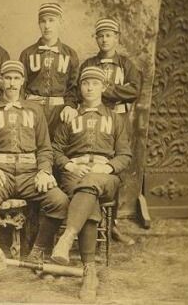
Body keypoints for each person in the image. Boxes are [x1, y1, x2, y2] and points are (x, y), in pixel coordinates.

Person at [51, 66, 132, 302]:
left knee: (92, 183)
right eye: (85, 83)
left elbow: (125, 155)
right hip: (75, 173)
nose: (89, 87)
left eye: (95, 83)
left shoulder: (114, 119)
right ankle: (90, 271)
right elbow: (56, 151)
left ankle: (67, 237)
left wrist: (107, 167)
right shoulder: (69, 117)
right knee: (89, 197)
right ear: (80, 88)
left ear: (103, 87)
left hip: (104, 174)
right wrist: (70, 166)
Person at [0, 60, 69, 265]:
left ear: (23, 81)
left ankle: (38, 249)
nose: (11, 83)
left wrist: (44, 171)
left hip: (29, 174)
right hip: (2, 172)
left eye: (16, 78)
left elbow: (45, 148)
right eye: (7, 78)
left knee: (60, 201)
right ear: (1, 81)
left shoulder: (35, 110)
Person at [80, 17, 141, 245]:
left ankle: (112, 224)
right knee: (89, 163)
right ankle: (88, 220)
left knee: (115, 168)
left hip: (119, 118)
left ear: (117, 38)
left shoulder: (126, 65)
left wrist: (103, 91)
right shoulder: (88, 64)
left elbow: (134, 91)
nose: (105, 39)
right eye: (101, 35)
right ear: (96, 38)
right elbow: (81, 91)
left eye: (109, 35)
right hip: (93, 119)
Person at [19, 2, 79, 139]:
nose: (47, 26)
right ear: (38, 24)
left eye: (51, 20)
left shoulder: (70, 54)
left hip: (59, 111)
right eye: (43, 21)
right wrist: (23, 109)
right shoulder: (27, 53)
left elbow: (73, 87)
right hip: (32, 109)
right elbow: (20, 86)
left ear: (60, 22)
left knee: (57, 148)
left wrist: (70, 106)